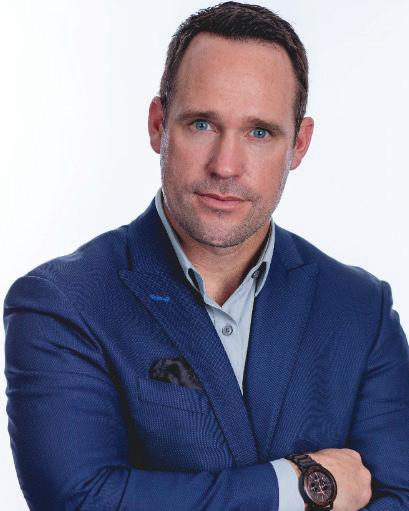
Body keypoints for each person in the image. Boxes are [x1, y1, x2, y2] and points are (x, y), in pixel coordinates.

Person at [4, 2, 409, 510]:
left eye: (259, 132)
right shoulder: (62, 304)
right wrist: (297, 487)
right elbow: (82, 501)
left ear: (300, 145)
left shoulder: (360, 308)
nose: (226, 166)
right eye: (202, 124)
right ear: (158, 124)